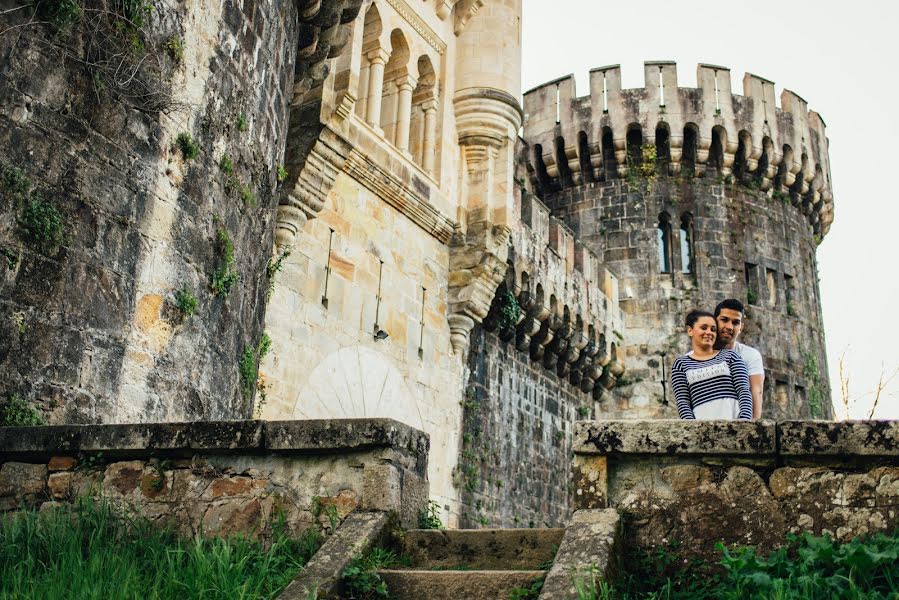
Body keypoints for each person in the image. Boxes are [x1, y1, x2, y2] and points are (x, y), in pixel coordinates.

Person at [670, 309, 753, 420]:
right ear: (690, 330)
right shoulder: (681, 365)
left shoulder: (731, 357)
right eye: (704, 328)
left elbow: (743, 391)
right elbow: (683, 402)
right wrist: (693, 429)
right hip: (702, 429)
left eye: (713, 329)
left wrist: (744, 421)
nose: (709, 332)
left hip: (735, 424)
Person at [714, 299, 765, 419]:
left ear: (741, 327)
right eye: (724, 320)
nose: (729, 327)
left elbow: (756, 391)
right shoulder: (694, 357)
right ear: (714, 321)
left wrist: (753, 427)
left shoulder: (750, 355)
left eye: (735, 322)